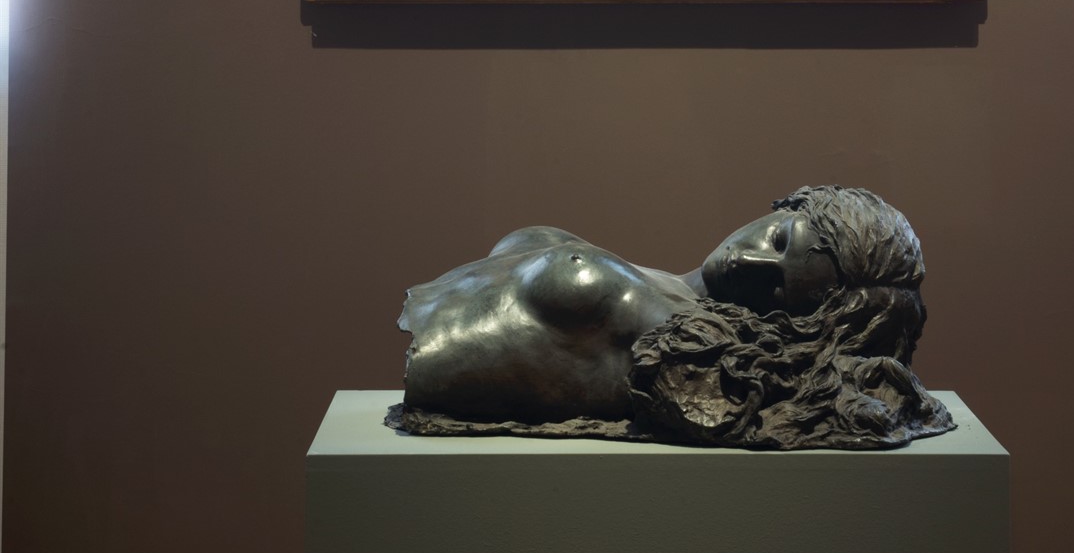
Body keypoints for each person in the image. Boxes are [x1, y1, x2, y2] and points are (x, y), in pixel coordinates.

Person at [390, 185, 954, 451]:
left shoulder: (682, 342)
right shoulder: (664, 286)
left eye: (778, 285)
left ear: (800, 323)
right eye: (777, 238)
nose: (748, 262)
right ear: (782, 207)